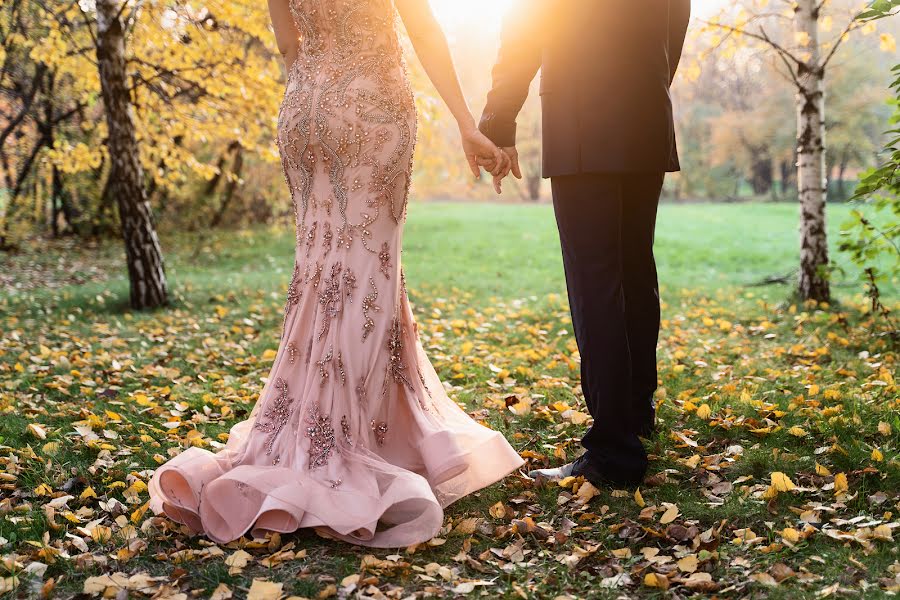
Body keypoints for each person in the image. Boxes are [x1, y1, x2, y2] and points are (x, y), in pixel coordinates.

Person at [148, 0, 523, 548]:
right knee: (365, 268)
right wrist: (466, 124)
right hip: (371, 108)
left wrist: (317, 89)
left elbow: (286, 43)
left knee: (323, 269)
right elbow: (422, 26)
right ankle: (334, 442)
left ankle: (344, 425)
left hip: (305, 108)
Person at [481, 0, 691, 486]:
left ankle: (614, 454)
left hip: (582, 120)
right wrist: (646, 83)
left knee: (596, 282)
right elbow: (676, 20)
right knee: (634, 272)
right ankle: (634, 418)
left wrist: (498, 121)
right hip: (644, 116)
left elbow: (525, 25)